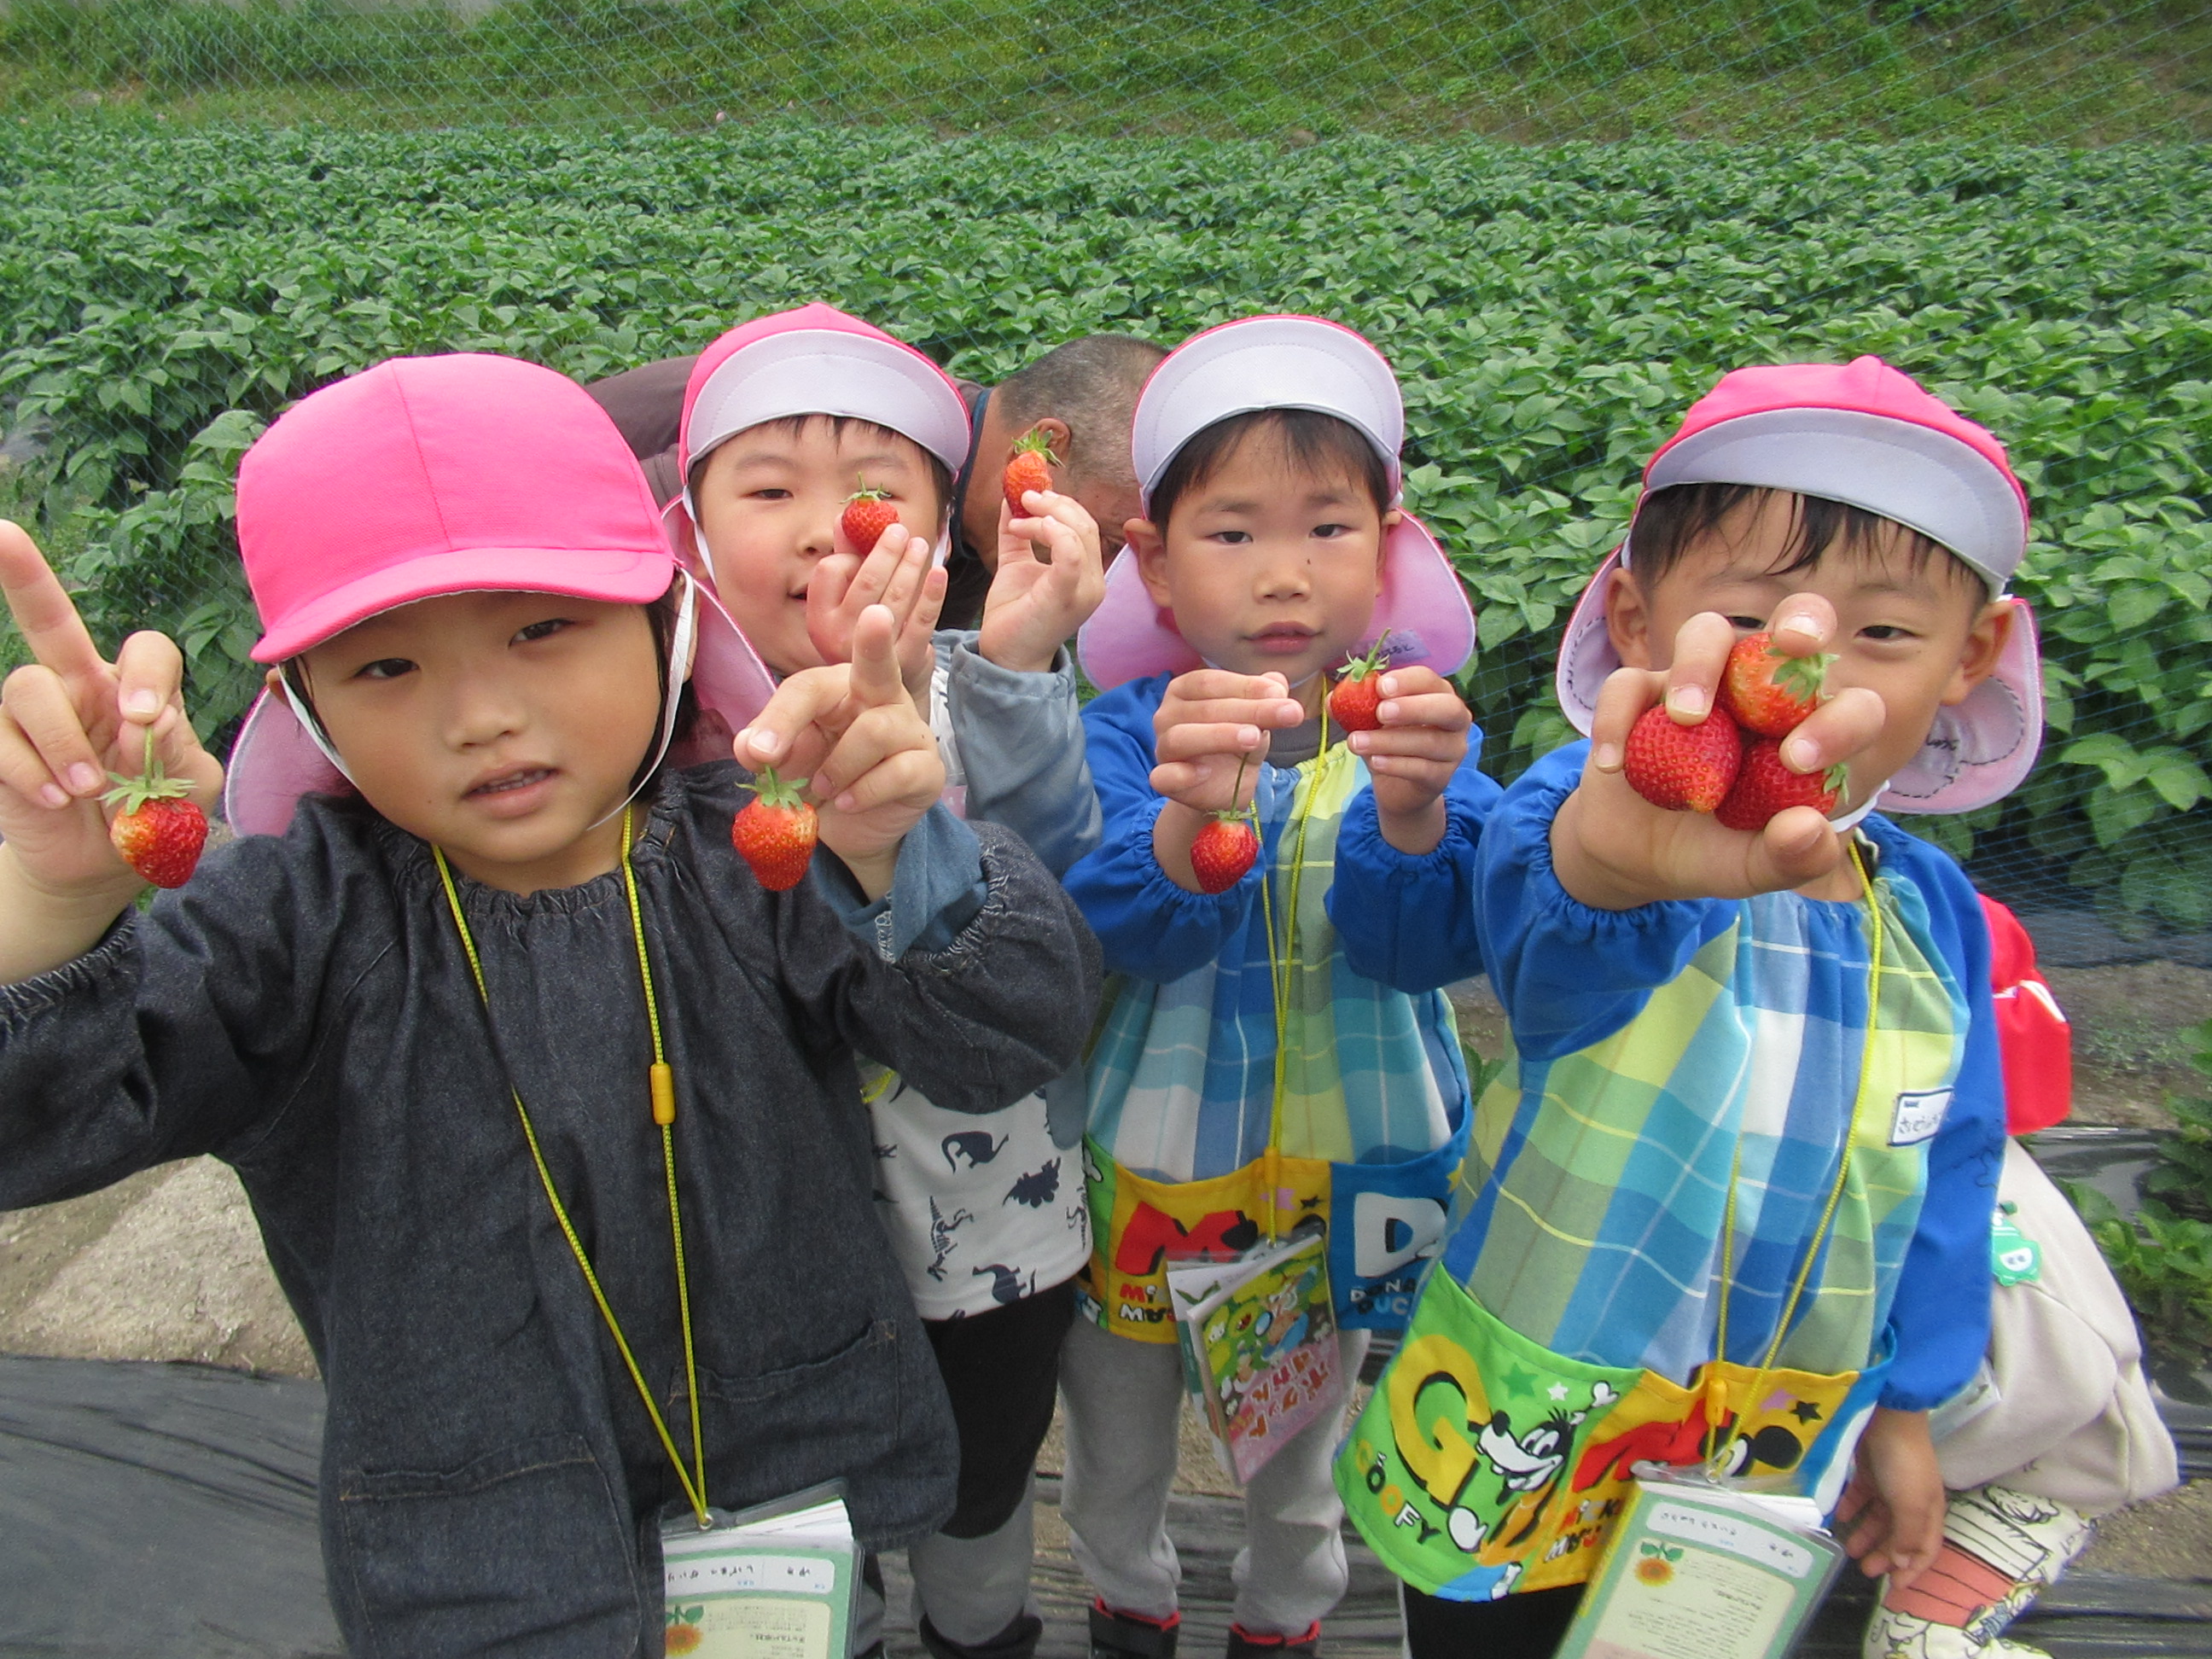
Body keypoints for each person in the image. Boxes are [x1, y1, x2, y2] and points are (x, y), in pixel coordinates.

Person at [0, 353, 1100, 1655]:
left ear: (667, 621)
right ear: (307, 709)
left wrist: (898, 855)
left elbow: (1007, 1040)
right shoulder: (290, 931)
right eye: (387, 667)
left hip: (791, 1518)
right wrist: (51, 911)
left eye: (542, 630)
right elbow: (42, 1120)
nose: (482, 715)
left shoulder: (762, 858)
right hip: (477, 1564)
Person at [1338, 356, 2031, 1656]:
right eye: (1751, 616)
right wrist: (1619, 869)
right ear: (1638, 619)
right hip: (1532, 1404)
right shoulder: (1583, 816)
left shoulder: (1936, 917)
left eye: (1887, 634)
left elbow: (1951, 1164)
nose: (1811, 668)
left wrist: (1910, 1404)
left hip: (1774, 1434)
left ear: (1973, 655)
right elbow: (1558, 945)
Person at [663, 302, 1109, 1659]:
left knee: (982, 1490)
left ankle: (978, 1629)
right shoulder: (664, 744)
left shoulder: (989, 694)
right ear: (690, 533)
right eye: (769, 491)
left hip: (995, 1225)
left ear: (945, 535)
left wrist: (1015, 665)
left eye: (877, 492)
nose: (828, 529)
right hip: (765, 1247)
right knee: (798, 1503)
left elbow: (1056, 896)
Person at [1061, 314, 1496, 1659]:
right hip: (1159, 1165)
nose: (1285, 573)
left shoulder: (1416, 735)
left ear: (1388, 544)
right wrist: (1192, 816)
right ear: (1155, 561)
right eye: (1234, 531)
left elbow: (1423, 946)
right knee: (1117, 1434)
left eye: (1329, 527)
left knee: (1303, 1452)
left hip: (1347, 1176)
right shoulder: (1130, 735)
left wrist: (1417, 814)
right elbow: (1133, 931)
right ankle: (1126, 1597)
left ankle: (1287, 1615)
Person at [1860, 895, 2180, 1659]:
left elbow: (2058, 1392)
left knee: (1919, 1646)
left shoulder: (1969, 1226)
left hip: (2031, 1465)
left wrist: (1891, 1437)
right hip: (1882, 1450)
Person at [587, 330, 1165, 627]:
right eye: (1110, 540)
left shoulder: (967, 527)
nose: (1102, 570)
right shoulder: (848, 428)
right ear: (1045, 447)